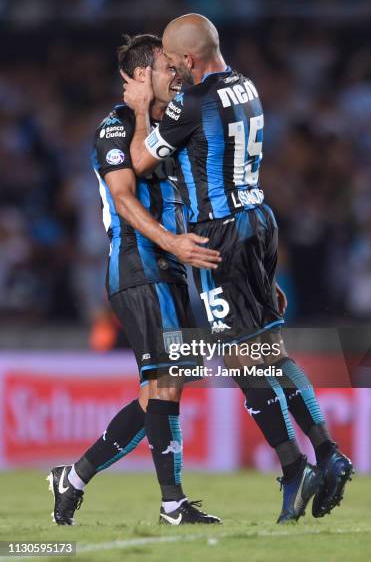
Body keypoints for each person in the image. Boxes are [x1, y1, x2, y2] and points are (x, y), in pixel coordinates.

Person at [122, 14, 354, 524]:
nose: (171, 71)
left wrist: (142, 112)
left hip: (218, 234)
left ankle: (298, 468)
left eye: (172, 60)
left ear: (187, 60)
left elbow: (138, 160)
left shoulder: (193, 100)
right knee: (268, 350)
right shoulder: (245, 84)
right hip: (258, 222)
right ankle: (327, 452)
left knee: (242, 359)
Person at [47, 34, 221, 526]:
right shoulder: (115, 125)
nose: (178, 74)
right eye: (168, 67)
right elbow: (123, 197)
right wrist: (170, 243)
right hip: (136, 263)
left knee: (161, 390)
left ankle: (73, 477)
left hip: (168, 266)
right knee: (165, 382)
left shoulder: (170, 122)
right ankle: (173, 506)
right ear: (143, 76)